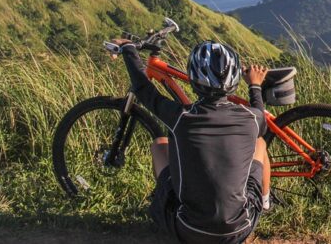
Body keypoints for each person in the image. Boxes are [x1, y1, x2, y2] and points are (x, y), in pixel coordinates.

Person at [111, 38, 271, 244]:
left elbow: (143, 89)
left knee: (159, 145)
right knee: (260, 143)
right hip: (239, 230)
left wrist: (128, 48)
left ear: (193, 80)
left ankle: (164, 201)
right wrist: (255, 86)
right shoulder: (252, 118)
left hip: (188, 230)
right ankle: (265, 203)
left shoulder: (180, 117)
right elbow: (260, 115)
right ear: (235, 80)